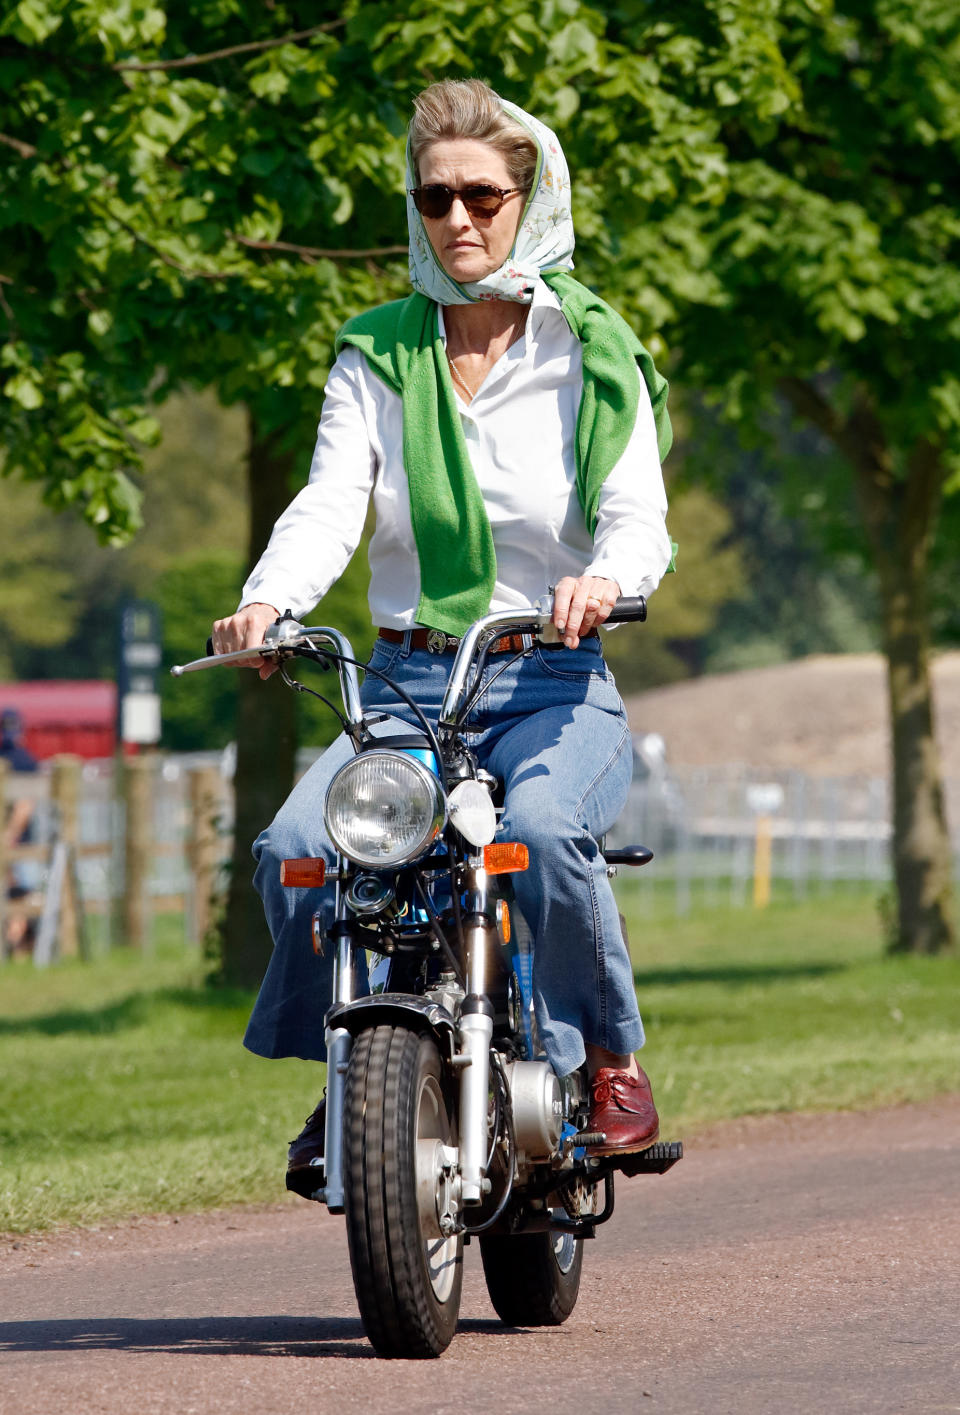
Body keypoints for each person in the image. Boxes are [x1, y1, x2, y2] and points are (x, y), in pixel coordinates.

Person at [212, 79, 674, 1185]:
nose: (457, 220)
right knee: (294, 850)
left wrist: (605, 579)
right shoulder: (376, 352)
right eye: (434, 198)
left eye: (482, 195)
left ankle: (605, 1059)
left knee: (551, 837)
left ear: (533, 200)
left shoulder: (593, 352)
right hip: (410, 686)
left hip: (553, 681)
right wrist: (269, 598)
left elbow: (637, 513)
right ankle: (353, 1085)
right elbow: (330, 501)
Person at [1, 707, 40, 957]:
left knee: (17, 895)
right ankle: (15, 945)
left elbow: (22, 808)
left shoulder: (12, 759)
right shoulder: (27, 760)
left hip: (12, 841)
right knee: (22, 896)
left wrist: (6, 838)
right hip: (21, 842)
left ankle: (14, 944)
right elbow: (26, 807)